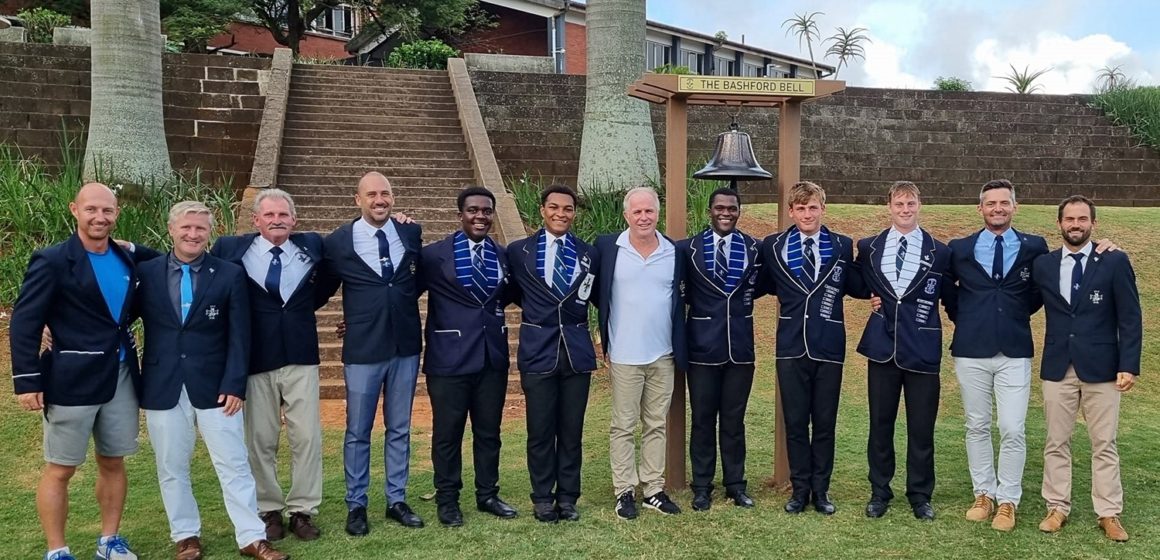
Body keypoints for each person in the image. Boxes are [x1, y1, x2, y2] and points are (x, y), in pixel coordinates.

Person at [9, 183, 154, 560]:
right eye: (91, 209)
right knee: (61, 468)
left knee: (113, 460)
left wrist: (134, 247)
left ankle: (109, 540)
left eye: (107, 210)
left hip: (121, 376)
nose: (99, 217)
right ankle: (57, 550)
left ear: (117, 214)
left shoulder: (126, 259)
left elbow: (165, 262)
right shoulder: (52, 260)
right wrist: (27, 380)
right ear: (75, 210)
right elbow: (25, 321)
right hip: (70, 379)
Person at [135, 201, 286, 560]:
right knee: (171, 465)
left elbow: (240, 335)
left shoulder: (229, 273)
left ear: (210, 232)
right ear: (171, 230)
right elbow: (116, 316)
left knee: (234, 463)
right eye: (186, 228)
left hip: (218, 387)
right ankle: (186, 536)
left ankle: (251, 537)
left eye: (200, 228)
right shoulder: (148, 273)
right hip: (163, 383)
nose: (192, 234)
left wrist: (235, 384)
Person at [210, 188, 334, 541]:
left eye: (283, 215)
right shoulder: (231, 250)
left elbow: (322, 288)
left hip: (300, 354)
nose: (276, 221)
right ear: (256, 220)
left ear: (294, 220)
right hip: (256, 357)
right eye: (269, 215)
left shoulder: (312, 247)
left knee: (306, 436)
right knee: (260, 438)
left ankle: (303, 509)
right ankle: (268, 508)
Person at [320, 171, 426, 533]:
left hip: (405, 346)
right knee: (357, 430)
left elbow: (415, 281)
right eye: (371, 195)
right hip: (363, 350)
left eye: (385, 194)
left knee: (399, 428)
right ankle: (356, 505)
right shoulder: (338, 242)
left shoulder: (410, 232)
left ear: (393, 197)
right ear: (357, 200)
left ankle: (396, 499)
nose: (379, 200)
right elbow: (321, 287)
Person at [1033, 195, 1141, 542]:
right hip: (1058, 365)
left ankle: (1108, 512)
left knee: (1104, 443)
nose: (1075, 225)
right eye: (1069, 219)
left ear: (1093, 223)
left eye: (1082, 219)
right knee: (1056, 441)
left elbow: (1130, 316)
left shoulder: (1114, 261)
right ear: (1059, 223)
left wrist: (1129, 365)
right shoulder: (1044, 265)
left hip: (1104, 367)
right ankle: (1057, 506)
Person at [943, 179, 1048, 531]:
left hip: (1014, 349)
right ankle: (983, 493)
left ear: (1014, 207)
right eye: (991, 203)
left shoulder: (1035, 247)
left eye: (1004, 203)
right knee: (976, 424)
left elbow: (1038, 293)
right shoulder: (959, 249)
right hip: (971, 348)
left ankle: (1008, 500)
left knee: (1012, 427)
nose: (998, 208)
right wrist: (971, 319)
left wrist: (1012, 315)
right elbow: (948, 294)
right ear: (980, 208)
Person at [761, 181, 868, 516]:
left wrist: (878, 294)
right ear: (791, 211)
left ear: (823, 208)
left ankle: (821, 491)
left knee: (824, 422)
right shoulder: (772, 246)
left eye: (813, 207)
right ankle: (799, 489)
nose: (807, 214)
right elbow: (760, 285)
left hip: (829, 346)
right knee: (795, 422)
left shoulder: (840, 245)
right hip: (790, 347)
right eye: (800, 208)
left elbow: (856, 284)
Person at [418, 186, 519, 527]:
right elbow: (401, 296)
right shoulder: (434, 256)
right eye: (473, 210)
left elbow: (506, 296)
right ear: (460, 213)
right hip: (449, 360)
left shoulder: (503, 255)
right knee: (448, 433)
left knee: (489, 432)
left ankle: (487, 494)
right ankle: (448, 500)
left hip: (491, 358)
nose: (480, 216)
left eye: (487, 211)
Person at [855, 181, 954, 521]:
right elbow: (856, 282)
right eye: (899, 203)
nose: (905, 209)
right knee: (880, 425)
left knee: (921, 428)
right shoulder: (868, 247)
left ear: (919, 205)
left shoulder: (940, 252)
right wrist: (868, 297)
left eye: (910, 203)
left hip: (923, 350)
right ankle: (879, 491)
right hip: (882, 348)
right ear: (889, 206)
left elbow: (951, 298)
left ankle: (920, 494)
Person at [506, 185, 600, 523]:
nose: (561, 214)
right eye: (554, 207)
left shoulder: (588, 253)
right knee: (541, 430)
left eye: (568, 209)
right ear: (542, 210)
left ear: (575, 213)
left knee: (571, 430)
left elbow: (597, 297)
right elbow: (513, 292)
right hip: (538, 351)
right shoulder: (518, 252)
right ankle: (543, 497)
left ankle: (568, 498)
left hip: (576, 353)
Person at [595, 186, 687, 520]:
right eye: (637, 212)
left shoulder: (673, 251)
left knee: (655, 424)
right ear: (626, 216)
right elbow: (595, 293)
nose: (644, 217)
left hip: (662, 354)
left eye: (649, 211)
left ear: (658, 213)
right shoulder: (608, 248)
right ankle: (624, 491)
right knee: (622, 425)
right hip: (623, 355)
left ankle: (653, 489)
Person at [677, 187, 764, 512]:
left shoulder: (755, 249)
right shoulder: (687, 250)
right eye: (719, 207)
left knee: (734, 421)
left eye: (732, 208)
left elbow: (763, 285)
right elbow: (680, 293)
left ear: (738, 211)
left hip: (740, 349)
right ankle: (701, 486)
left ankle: (735, 485)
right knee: (702, 421)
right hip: (701, 349)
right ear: (709, 211)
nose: (725, 212)